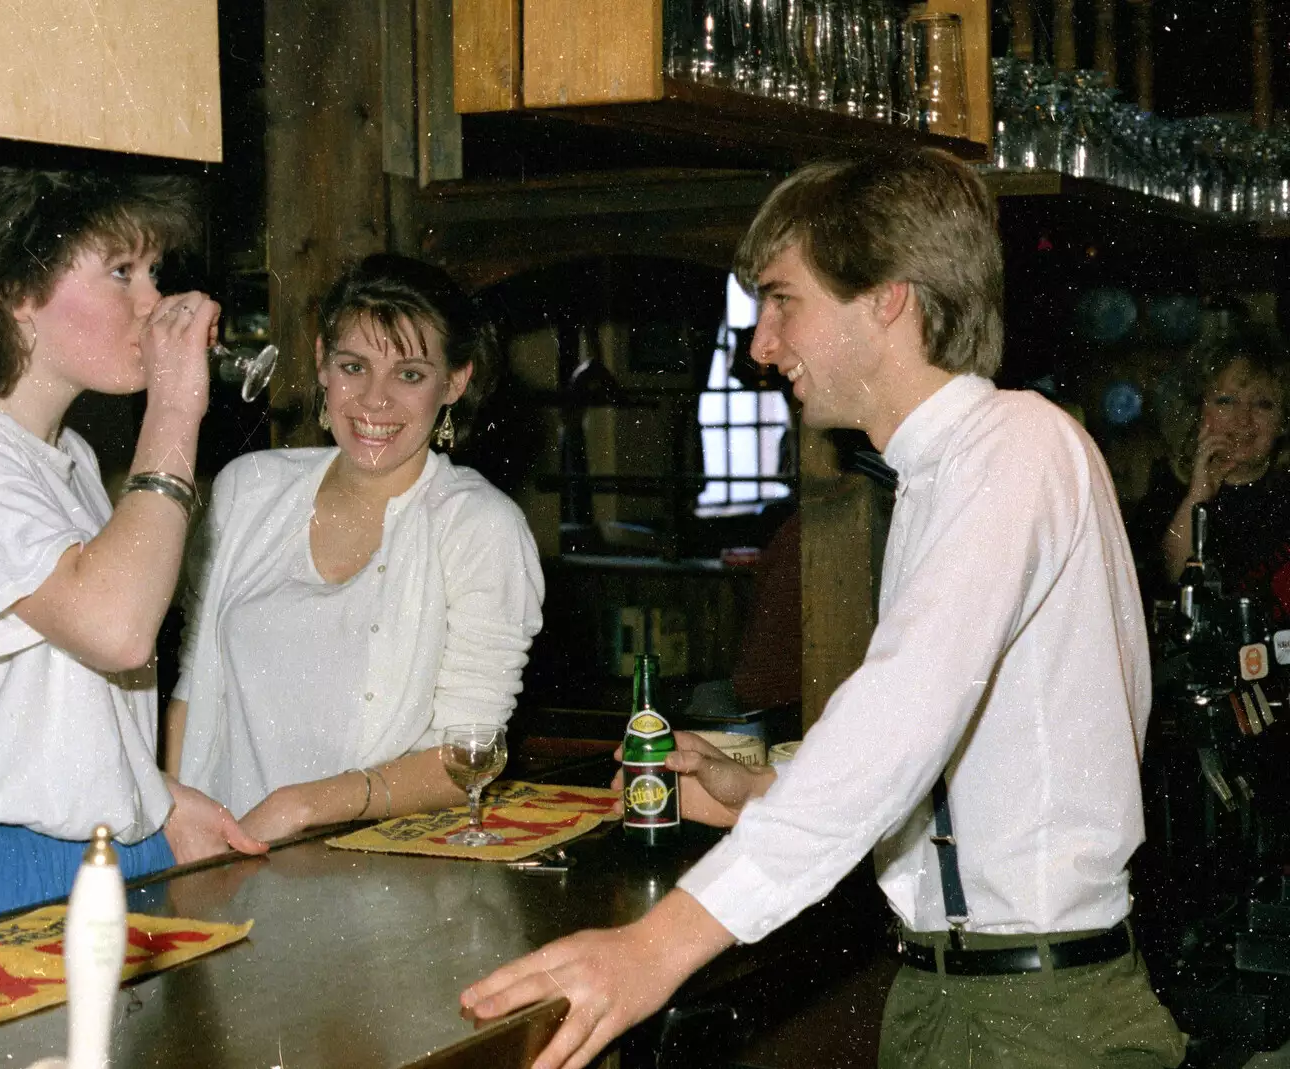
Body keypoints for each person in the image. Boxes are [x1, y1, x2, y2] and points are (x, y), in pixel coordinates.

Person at [461, 149, 1186, 1069]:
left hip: (1038, 1017)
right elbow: (975, 768)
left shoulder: (1018, 444)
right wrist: (759, 795)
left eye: (782, 299)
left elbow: (901, 712)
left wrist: (658, 946)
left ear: (888, 296)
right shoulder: (944, 472)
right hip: (963, 997)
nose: (761, 344)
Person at [0, 152, 268, 930]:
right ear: (16, 289)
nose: (155, 302)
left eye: (154, 270)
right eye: (122, 272)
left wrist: (158, 800)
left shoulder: (68, 458)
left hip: (113, 849)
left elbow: (52, 709)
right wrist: (176, 408)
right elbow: (115, 631)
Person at [166, 254, 544, 843]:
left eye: (410, 375)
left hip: (377, 864)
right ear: (322, 362)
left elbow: (467, 753)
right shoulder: (248, 489)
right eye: (353, 366)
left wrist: (303, 807)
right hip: (222, 853)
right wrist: (170, 826)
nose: (374, 400)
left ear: (456, 381)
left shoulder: (480, 525)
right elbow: (193, 686)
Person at [1130, 325, 1290, 625]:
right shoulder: (1169, 487)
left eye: (1263, 404)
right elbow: (1172, 576)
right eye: (1226, 401)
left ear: (1283, 421)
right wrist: (1198, 495)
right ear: (1200, 410)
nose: (1243, 418)